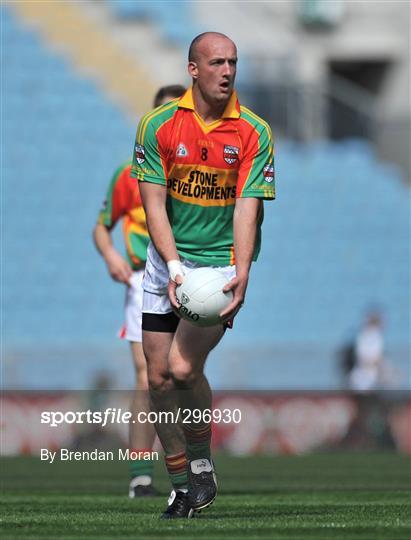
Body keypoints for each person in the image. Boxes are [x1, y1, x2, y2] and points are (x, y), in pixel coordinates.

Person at [131, 32, 275, 519]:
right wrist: (171, 267)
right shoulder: (158, 125)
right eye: (217, 62)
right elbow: (153, 206)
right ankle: (179, 485)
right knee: (157, 378)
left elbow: (246, 210)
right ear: (193, 69)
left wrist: (242, 272)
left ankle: (201, 465)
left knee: (183, 368)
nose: (227, 71)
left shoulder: (254, 131)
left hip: (218, 267)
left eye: (233, 62)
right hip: (165, 261)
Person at [93, 85, 186, 497]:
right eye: (163, 116)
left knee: (182, 375)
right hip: (142, 279)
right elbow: (101, 225)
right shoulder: (129, 176)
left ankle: (186, 473)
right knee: (148, 376)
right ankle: (141, 475)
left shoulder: (196, 173)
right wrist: (112, 255)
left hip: (189, 279)